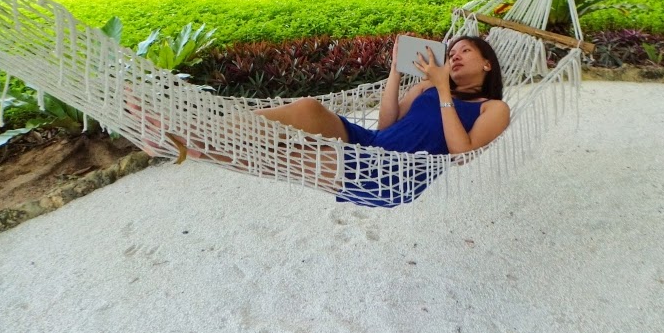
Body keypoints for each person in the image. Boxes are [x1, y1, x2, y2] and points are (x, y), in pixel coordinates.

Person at [159, 35, 510, 206]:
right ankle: (192, 134)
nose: (455, 56)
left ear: (487, 64)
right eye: (451, 52)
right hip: (372, 144)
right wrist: (395, 71)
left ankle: (187, 144)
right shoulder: (426, 87)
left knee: (285, 157)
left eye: (465, 51)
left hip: (394, 173)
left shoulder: (493, 108)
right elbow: (386, 125)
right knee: (309, 108)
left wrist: (443, 89)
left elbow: (462, 153)